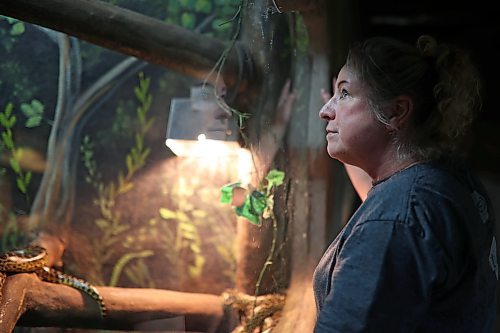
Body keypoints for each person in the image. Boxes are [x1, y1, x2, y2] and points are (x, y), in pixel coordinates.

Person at [313, 35, 498, 332]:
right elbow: (391, 207)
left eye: (345, 93)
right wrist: (347, 129)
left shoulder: (395, 221)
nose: (325, 111)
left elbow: (392, 223)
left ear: (396, 111)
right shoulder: (445, 178)